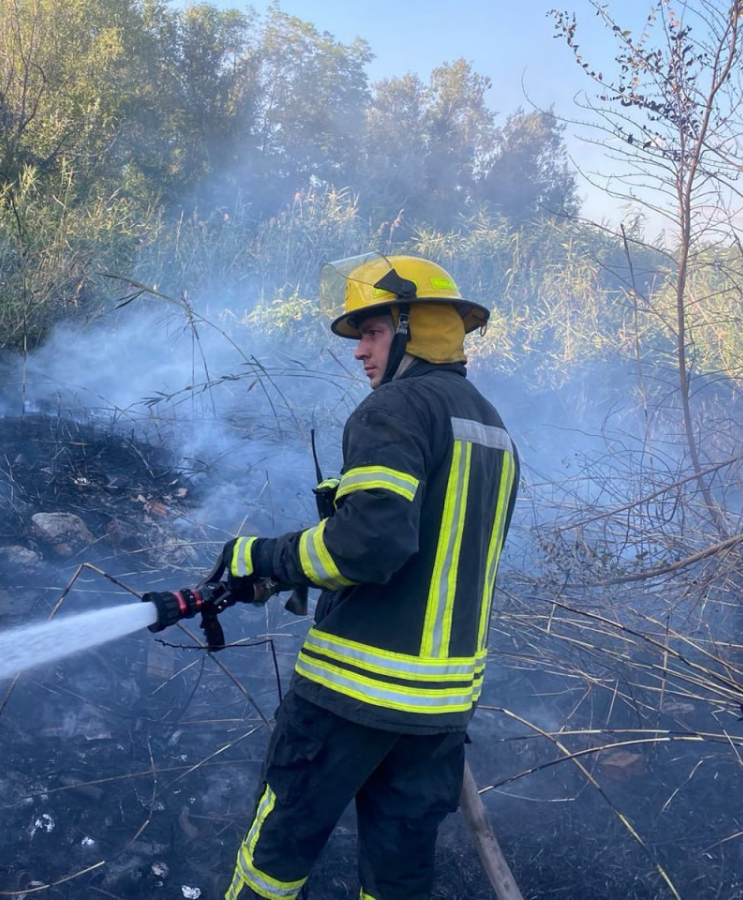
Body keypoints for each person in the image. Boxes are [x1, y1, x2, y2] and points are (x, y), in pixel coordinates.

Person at [211, 254, 520, 900]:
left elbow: (371, 543)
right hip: (439, 714)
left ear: (416, 326)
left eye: (373, 331)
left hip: (352, 692)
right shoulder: (494, 430)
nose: (359, 353)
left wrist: (266, 558)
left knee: (275, 854)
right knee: (398, 880)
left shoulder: (396, 409)